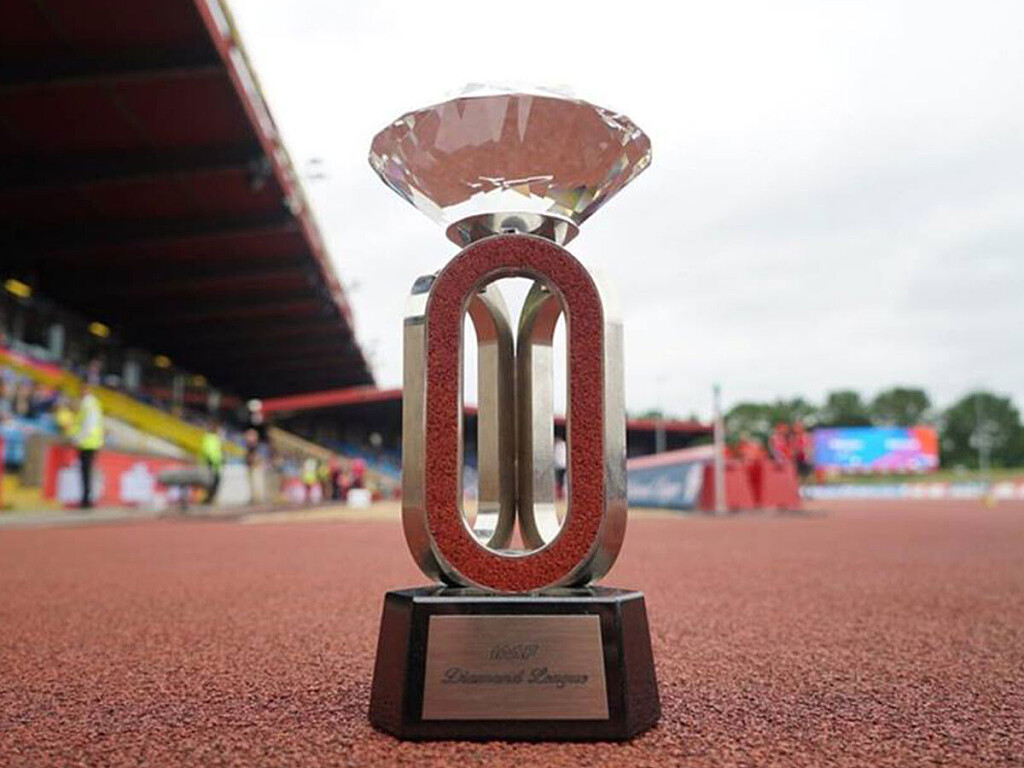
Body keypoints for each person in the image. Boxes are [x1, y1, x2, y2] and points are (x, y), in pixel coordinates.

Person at [72, 386, 104, 509]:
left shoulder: (88, 404)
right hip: (92, 442)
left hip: (87, 443)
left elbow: (88, 425)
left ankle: (86, 500)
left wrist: (78, 439)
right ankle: (87, 499)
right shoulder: (93, 404)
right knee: (88, 472)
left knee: (86, 473)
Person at [199, 422, 223, 505]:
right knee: (211, 484)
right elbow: (208, 451)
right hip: (211, 465)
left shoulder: (214, 438)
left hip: (216, 465)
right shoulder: (209, 438)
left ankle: (210, 500)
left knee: (215, 484)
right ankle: (208, 500)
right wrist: (210, 462)